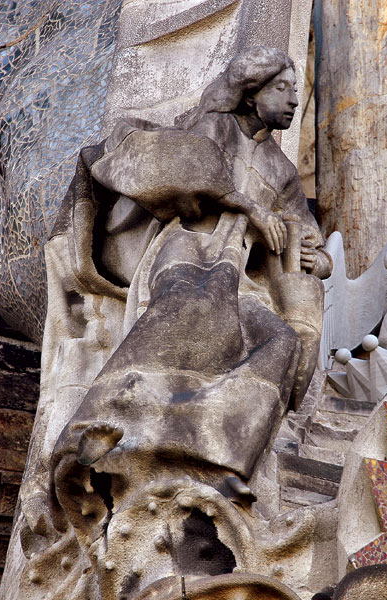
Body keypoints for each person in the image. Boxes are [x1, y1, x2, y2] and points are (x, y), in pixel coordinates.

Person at [31, 46, 331, 541]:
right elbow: (178, 176)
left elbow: (313, 245)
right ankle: (104, 429)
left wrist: (311, 258)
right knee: (197, 307)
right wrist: (245, 206)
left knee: (280, 341)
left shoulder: (281, 171)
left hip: (246, 276)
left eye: (297, 90)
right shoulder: (212, 128)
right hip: (188, 252)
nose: (294, 99)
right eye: (282, 87)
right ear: (251, 93)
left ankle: (226, 463)